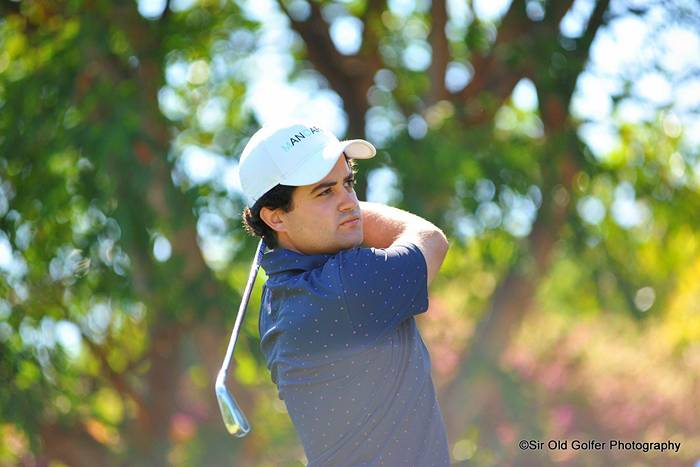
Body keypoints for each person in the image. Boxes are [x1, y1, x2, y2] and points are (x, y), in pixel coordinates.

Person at [238, 121, 450, 466]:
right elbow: (429, 239)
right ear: (275, 218)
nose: (350, 202)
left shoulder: (278, 299)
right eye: (324, 192)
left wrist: (335, 209)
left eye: (348, 183)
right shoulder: (343, 286)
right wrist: (349, 213)